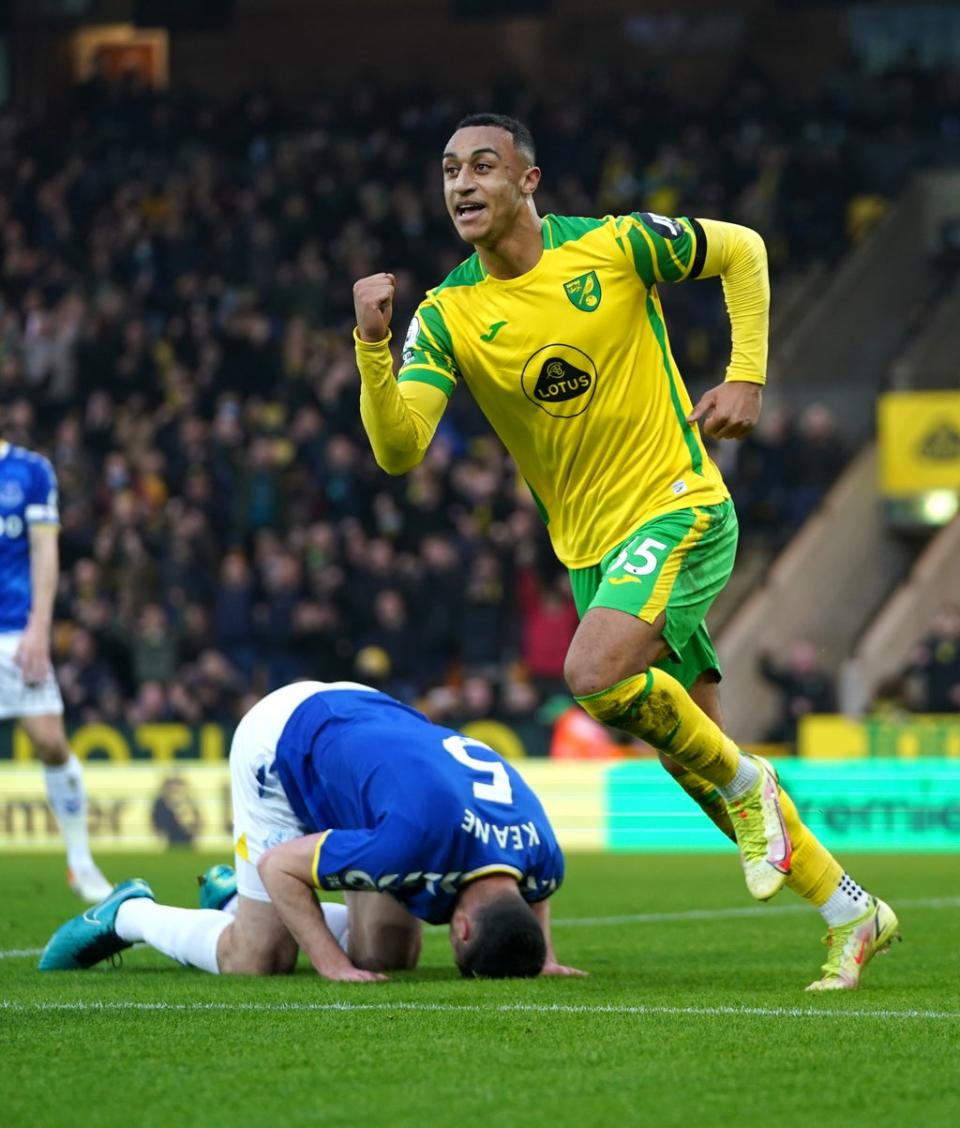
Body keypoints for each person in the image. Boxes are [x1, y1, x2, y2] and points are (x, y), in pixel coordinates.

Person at [351, 113, 899, 990]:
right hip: (594, 554)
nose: (461, 184)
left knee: (596, 672)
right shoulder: (449, 312)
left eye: (483, 166)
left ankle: (753, 788)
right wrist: (375, 349)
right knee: (699, 764)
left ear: (528, 181)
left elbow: (743, 250)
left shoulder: (615, 245)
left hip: (678, 507)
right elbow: (400, 446)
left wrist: (748, 371)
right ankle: (851, 911)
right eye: (449, 170)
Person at [40, 680, 581, 981]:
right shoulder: (411, 843)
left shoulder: (543, 855)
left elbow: (534, 894)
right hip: (283, 744)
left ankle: (233, 895)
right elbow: (282, 866)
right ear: (460, 931)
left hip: (369, 731)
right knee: (258, 960)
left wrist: (544, 956)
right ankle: (130, 914)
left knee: (389, 957)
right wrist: (331, 965)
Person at [0, 438, 112, 901]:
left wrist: (39, 629)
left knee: (49, 741)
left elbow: (45, 552)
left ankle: (80, 861)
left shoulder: (29, 471)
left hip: (13, 632)